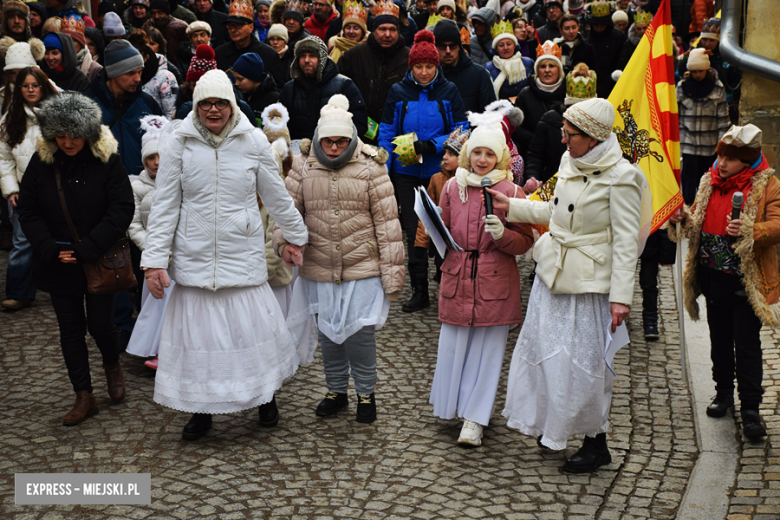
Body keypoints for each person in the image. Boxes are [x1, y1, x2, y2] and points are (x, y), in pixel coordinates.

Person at [141, 69, 308, 440]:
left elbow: (277, 195)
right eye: (206, 103)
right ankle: (201, 410)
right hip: (195, 260)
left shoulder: (253, 142)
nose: (213, 110)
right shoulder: (178, 145)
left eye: (220, 103)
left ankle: (265, 397)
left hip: (242, 258)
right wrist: (154, 261)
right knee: (201, 344)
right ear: (196, 106)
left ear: (232, 105)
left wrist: (295, 237)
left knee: (249, 336)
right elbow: (165, 205)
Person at [496, 97, 644, 472]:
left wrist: (621, 299)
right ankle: (554, 428)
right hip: (552, 275)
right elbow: (555, 213)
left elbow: (627, 243)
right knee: (546, 356)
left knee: (583, 365)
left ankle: (596, 443)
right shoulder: (569, 161)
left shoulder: (624, 177)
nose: (563, 140)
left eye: (570, 134)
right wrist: (511, 207)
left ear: (593, 138)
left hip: (589, 287)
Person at [276, 94, 404, 424]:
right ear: (318, 139)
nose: (333, 148)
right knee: (328, 333)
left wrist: (393, 277)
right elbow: (287, 213)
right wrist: (283, 244)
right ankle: (335, 390)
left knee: (359, 333)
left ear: (351, 139)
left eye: (340, 141)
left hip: (362, 265)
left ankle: (366, 392)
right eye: (328, 141)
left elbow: (388, 223)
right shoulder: (304, 165)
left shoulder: (371, 166)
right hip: (319, 265)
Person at [17, 92, 134, 426]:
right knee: (70, 329)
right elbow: (28, 208)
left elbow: (121, 208)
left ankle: (112, 365)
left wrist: (89, 247)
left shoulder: (107, 159)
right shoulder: (42, 163)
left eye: (74, 135)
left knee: (100, 325)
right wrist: (48, 247)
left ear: (88, 132)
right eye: (61, 135)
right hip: (57, 260)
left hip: (99, 258)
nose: (68, 142)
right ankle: (83, 394)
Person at [668, 124, 779, 441]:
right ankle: (723, 394)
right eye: (721, 156)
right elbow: (696, 221)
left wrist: (750, 231)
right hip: (712, 278)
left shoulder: (768, 186)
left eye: (730, 158)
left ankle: (751, 409)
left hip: (746, 281)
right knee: (719, 341)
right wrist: (682, 218)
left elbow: (778, 224)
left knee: (746, 345)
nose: (722, 163)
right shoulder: (708, 180)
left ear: (747, 160)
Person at [430, 118, 534, 447]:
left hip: (495, 280)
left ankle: (475, 419)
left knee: (487, 354)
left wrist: (503, 236)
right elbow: (442, 230)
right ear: (468, 155)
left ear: (500, 157)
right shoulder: (452, 186)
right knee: (454, 345)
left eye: (490, 154)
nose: (482, 160)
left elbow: (524, 242)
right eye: (477, 152)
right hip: (458, 275)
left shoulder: (511, 191)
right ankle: (451, 407)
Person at [378, 29, 467, 313]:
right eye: (419, 66)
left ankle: (444, 282)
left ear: (437, 65)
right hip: (406, 172)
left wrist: (433, 145)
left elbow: (461, 130)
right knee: (412, 230)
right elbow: (387, 130)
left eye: (430, 66)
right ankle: (419, 290)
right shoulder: (398, 91)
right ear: (411, 66)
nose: (425, 72)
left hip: (440, 172)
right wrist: (386, 167)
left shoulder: (448, 91)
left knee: (441, 227)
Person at [0, 67, 57, 312]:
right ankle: (19, 292)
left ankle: (69, 286)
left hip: (57, 188)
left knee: (63, 238)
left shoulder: (57, 113)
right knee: (22, 241)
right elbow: (4, 158)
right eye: (26, 85)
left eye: (35, 85)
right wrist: (11, 189)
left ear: (43, 86)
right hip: (26, 191)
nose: (31, 90)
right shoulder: (10, 118)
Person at [126, 115, 171, 370]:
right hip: (154, 257)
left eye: (160, 157)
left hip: (176, 257)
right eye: (151, 158)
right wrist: (152, 249)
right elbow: (133, 225)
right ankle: (152, 348)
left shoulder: (178, 183)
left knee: (175, 308)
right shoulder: (136, 185)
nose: (156, 163)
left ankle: (170, 349)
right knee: (155, 306)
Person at [89, 39, 163, 180]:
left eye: (140, 72)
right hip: (103, 185)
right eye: (130, 73)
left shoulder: (147, 103)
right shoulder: (88, 104)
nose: (137, 79)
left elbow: (163, 144)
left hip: (143, 186)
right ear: (113, 74)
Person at [337, 3, 408, 145]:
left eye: (392, 29)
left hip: (400, 135)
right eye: (382, 29)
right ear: (373, 30)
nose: (387, 34)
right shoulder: (352, 56)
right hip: (361, 133)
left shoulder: (409, 58)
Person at [279, 35, 367, 141]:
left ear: (322, 59)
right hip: (298, 151)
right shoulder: (289, 88)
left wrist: (338, 145)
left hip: (334, 152)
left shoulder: (344, 85)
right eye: (302, 56)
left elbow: (359, 123)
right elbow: (280, 125)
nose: (306, 60)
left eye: (312, 55)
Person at [523, 61, 595, 189]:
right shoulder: (551, 119)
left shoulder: (598, 126)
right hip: (553, 186)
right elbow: (535, 155)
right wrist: (532, 178)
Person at [412, 126, 467, 285]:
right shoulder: (436, 179)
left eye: (451, 154)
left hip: (463, 245)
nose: (445, 157)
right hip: (442, 244)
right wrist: (421, 243)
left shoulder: (470, 182)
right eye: (445, 153)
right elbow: (426, 215)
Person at [677, 48, 729, 205]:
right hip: (688, 144)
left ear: (707, 69)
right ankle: (687, 215)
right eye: (694, 71)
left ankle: (703, 214)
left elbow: (723, 119)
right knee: (688, 184)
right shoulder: (681, 87)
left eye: (701, 71)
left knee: (707, 184)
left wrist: (723, 147)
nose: (698, 74)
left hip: (709, 145)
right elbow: (675, 116)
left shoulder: (717, 87)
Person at [512, 41, 565, 156]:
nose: (547, 70)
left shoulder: (568, 94)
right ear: (537, 70)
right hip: (533, 153)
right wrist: (536, 140)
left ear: (559, 70)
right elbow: (515, 127)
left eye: (552, 66)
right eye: (542, 66)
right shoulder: (525, 94)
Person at [215, 0, 285, 87]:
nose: (233, 30)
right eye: (230, 26)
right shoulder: (219, 54)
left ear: (251, 27)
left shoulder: (268, 55)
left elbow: (278, 88)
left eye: (238, 25)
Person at [432, 20, 495, 114]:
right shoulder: (427, 76)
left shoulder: (479, 74)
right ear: (435, 48)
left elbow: (490, 114)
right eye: (442, 46)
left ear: (459, 46)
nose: (448, 51)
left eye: (452, 46)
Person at [485, 21, 534, 101]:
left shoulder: (528, 63)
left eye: (509, 44)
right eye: (501, 45)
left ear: (514, 45)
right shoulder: (488, 68)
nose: (505, 48)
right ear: (496, 49)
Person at [588, 0, 626, 99]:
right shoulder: (586, 36)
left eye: (602, 25)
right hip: (589, 84)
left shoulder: (618, 36)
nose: (599, 28)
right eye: (596, 25)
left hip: (611, 84)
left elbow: (621, 59)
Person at [0, 38, 45, 114]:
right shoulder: (2, 95)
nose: (18, 77)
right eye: (13, 73)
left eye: (22, 72)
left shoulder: (47, 88)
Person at [232, 52, 279, 124]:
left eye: (240, 79)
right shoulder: (238, 96)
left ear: (253, 77)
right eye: (235, 79)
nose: (236, 83)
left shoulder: (274, 100)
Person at [61, 14, 104, 82]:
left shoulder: (95, 69)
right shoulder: (56, 62)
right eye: (65, 40)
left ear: (81, 44)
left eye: (72, 40)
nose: (68, 43)